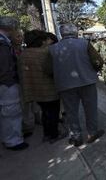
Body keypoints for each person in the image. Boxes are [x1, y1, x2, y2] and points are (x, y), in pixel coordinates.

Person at [47, 23, 105, 147]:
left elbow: (47, 69)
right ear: (75, 32)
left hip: (65, 84)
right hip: (87, 81)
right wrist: (93, 70)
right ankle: (92, 133)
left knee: (71, 111)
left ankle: (76, 136)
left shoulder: (52, 48)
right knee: (90, 109)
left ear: (61, 33)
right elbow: (98, 61)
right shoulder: (85, 43)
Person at [18, 30, 65, 143]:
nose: (47, 41)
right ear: (41, 41)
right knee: (53, 112)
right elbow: (53, 70)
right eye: (45, 39)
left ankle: (47, 134)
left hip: (35, 90)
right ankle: (54, 135)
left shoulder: (24, 54)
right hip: (49, 89)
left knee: (44, 112)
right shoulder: (45, 52)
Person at [0, 16, 29, 151]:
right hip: (7, 84)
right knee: (11, 112)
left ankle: (10, 138)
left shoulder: (5, 42)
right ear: (9, 28)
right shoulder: (2, 44)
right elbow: (5, 67)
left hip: (6, 83)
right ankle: (13, 141)